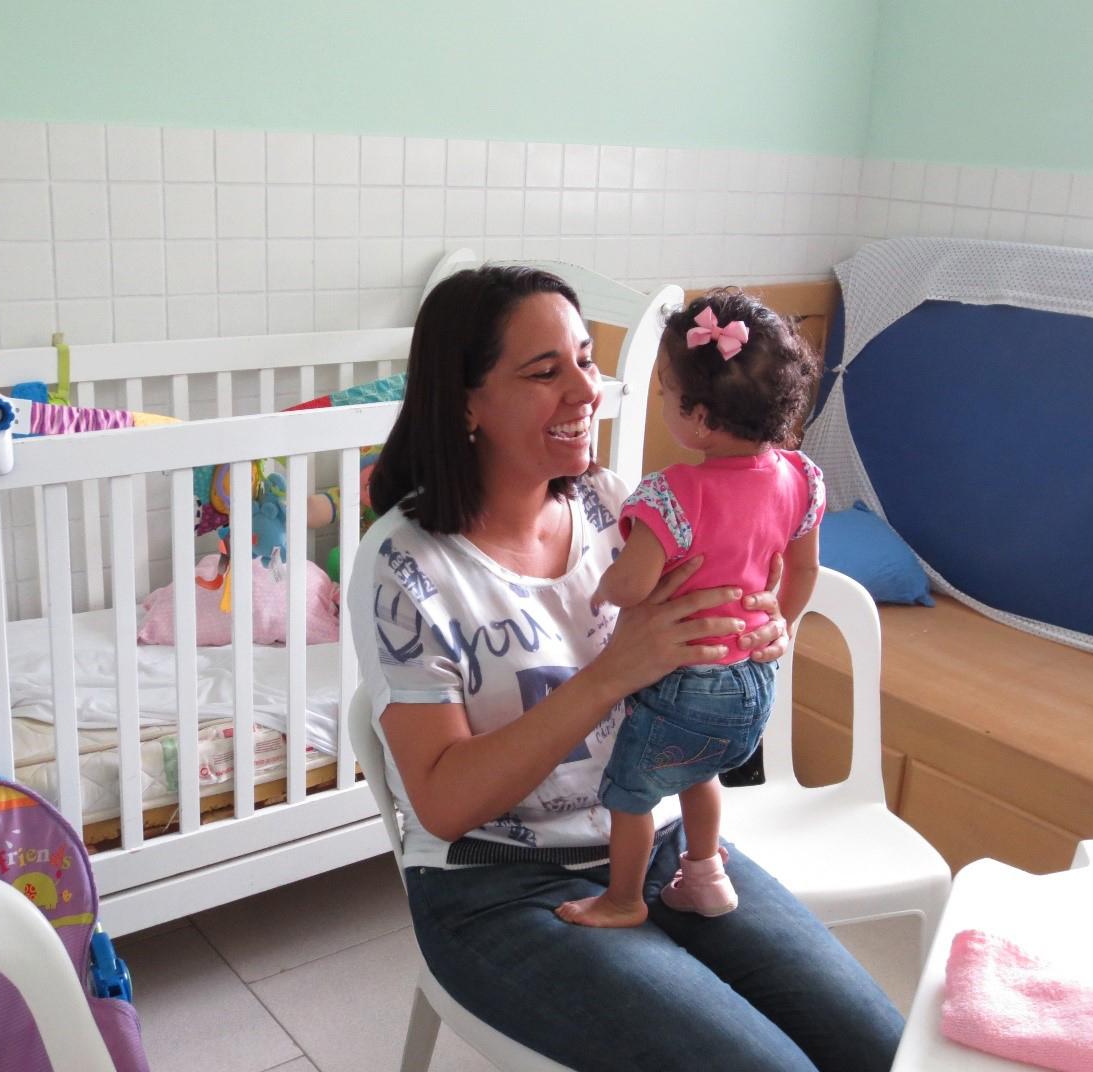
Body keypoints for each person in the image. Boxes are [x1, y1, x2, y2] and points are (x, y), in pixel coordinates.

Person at [351, 264, 902, 1071]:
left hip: (664, 846)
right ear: (465, 401)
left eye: (585, 358)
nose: (587, 389)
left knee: (884, 1049)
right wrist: (612, 672)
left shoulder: (617, 505)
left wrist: (760, 631)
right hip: (499, 888)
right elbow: (440, 803)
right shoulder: (405, 566)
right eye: (546, 372)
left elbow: (719, 611)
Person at [556, 289, 824, 929]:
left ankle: (623, 899)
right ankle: (704, 873)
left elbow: (636, 585)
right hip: (754, 684)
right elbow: (805, 568)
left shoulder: (673, 493)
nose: (661, 404)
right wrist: (779, 621)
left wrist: (601, 586)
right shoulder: (799, 475)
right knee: (696, 770)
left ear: (700, 418)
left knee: (630, 792)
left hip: (687, 685)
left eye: (665, 394)